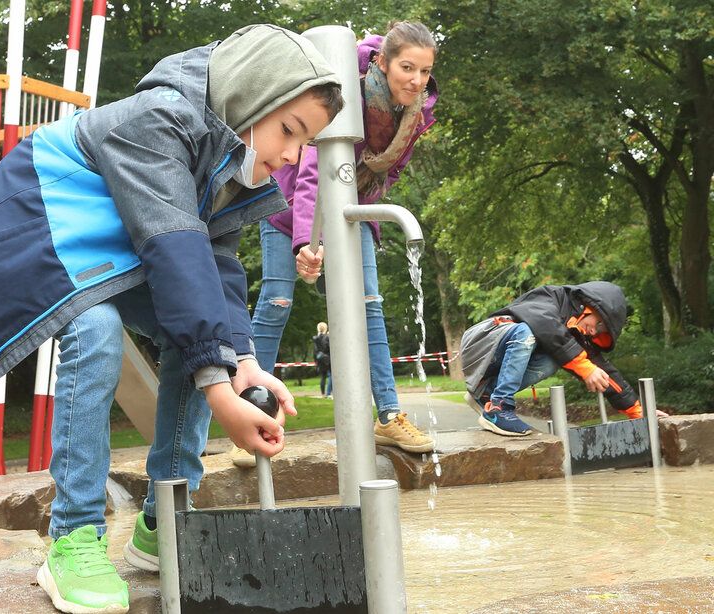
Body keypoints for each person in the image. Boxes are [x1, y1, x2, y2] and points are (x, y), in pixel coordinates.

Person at [0, 25, 342, 614]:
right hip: (34, 230)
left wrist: (244, 363)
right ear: (251, 97)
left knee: (207, 347)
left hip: (116, 245)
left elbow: (214, 268)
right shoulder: (158, 120)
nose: (290, 157)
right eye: (289, 132)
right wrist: (222, 395)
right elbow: (174, 248)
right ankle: (73, 537)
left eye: (305, 145)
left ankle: (167, 517)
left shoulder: (227, 157)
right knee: (96, 328)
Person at [251, 22, 439, 455]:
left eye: (425, 71)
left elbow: (385, 170)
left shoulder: (413, 112)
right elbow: (313, 168)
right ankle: (253, 412)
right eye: (407, 67)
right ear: (382, 62)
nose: (416, 80)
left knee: (370, 306)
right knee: (277, 301)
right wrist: (307, 242)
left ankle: (389, 416)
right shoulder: (345, 89)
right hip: (290, 201)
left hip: (353, 203)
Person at [460, 281, 668, 437]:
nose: (594, 332)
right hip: (480, 342)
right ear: (592, 307)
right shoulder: (553, 297)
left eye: (600, 332)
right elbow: (546, 326)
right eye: (600, 324)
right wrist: (585, 367)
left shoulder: (579, 334)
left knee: (554, 359)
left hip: (494, 360)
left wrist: (640, 412)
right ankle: (499, 409)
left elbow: (606, 373)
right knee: (527, 332)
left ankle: (486, 393)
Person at [313, 321, 333, 397]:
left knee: (323, 377)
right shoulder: (327, 337)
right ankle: (328, 393)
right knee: (331, 376)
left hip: (319, 359)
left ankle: (322, 393)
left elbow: (314, 351)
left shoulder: (315, 338)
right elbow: (329, 348)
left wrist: (316, 360)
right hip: (328, 359)